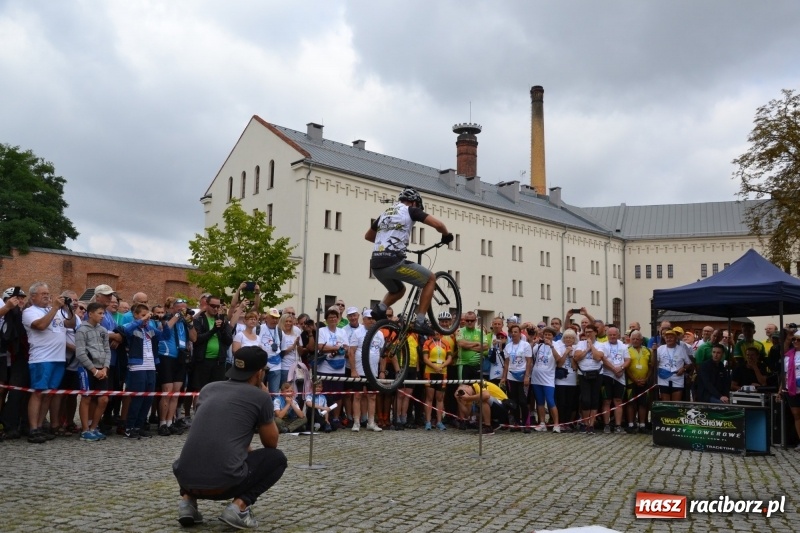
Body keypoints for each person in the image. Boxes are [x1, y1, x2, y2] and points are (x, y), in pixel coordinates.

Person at [172, 346, 287, 529]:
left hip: (186, 478)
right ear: (259, 373)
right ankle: (238, 508)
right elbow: (271, 443)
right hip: (223, 484)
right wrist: (266, 402)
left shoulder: (208, 389)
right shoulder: (260, 397)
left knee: (197, 452)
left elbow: (218, 432)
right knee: (277, 459)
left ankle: (187, 504)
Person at [365, 186, 453, 336]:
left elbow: (368, 236)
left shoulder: (385, 213)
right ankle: (420, 321)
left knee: (399, 290)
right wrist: (446, 235)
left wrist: (386, 241)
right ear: (413, 202)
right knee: (430, 279)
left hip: (376, 265)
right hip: (394, 263)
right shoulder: (410, 210)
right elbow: (439, 225)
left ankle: (380, 308)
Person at [22, 282, 76, 444]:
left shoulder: (56, 311)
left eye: (48, 293)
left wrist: (68, 309)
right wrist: (54, 308)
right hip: (42, 358)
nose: (47, 296)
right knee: (38, 392)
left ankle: (40, 426)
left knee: (49, 394)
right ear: (33, 297)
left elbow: (71, 325)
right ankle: (33, 428)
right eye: (42, 293)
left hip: (59, 358)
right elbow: (40, 325)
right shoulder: (30, 312)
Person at [122, 304, 177, 439]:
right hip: (137, 367)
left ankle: (139, 426)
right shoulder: (131, 326)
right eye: (142, 315)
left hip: (151, 366)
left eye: (147, 315)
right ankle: (129, 427)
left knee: (148, 398)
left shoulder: (149, 329)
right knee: (138, 398)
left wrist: (163, 321)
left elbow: (165, 336)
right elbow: (125, 331)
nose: (146, 318)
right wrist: (143, 319)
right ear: (135, 315)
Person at [74, 302, 112, 442]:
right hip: (87, 369)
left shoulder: (102, 330)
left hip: (102, 368)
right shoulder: (81, 329)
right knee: (87, 398)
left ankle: (93, 427)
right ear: (90, 314)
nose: (102, 316)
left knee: (103, 399)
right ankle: (85, 430)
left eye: (103, 314)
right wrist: (94, 370)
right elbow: (80, 353)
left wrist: (105, 368)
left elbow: (107, 350)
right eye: (100, 313)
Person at [530, 327, 564, 432]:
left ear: (553, 336)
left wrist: (551, 346)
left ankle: (556, 424)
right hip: (536, 377)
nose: (547, 337)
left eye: (549, 335)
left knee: (550, 401)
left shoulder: (556, 345)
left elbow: (558, 359)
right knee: (539, 402)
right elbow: (529, 353)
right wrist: (532, 343)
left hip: (548, 378)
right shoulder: (539, 346)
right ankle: (542, 423)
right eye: (545, 334)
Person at [499, 324, 532, 432]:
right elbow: (506, 364)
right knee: (514, 401)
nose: (513, 334)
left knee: (523, 401)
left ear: (520, 333)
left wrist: (527, 376)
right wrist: (504, 377)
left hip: (522, 376)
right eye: (512, 332)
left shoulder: (525, 345)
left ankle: (526, 424)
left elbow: (528, 362)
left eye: (516, 332)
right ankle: (517, 423)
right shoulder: (508, 346)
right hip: (511, 376)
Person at [574, 325, 604, 433]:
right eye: (586, 332)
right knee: (586, 400)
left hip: (597, 373)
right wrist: (587, 348)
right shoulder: (580, 344)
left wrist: (591, 346)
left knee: (594, 399)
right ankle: (585, 423)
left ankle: (592, 424)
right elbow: (577, 357)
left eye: (590, 332)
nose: (588, 334)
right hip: (583, 374)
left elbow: (597, 357)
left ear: (595, 332)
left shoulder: (601, 344)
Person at [599, 327, 630, 434]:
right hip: (607, 376)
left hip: (620, 377)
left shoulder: (623, 345)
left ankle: (618, 425)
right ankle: (606, 425)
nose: (612, 336)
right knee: (606, 401)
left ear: (618, 335)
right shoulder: (603, 346)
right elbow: (603, 359)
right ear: (607, 335)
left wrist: (621, 368)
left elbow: (627, 360)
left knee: (618, 401)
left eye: (614, 335)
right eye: (610, 335)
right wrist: (613, 369)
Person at [422, 326, 452, 431]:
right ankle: (428, 421)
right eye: (434, 331)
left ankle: (439, 422)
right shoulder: (427, 343)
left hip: (442, 372)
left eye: (438, 331)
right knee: (429, 398)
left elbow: (449, 358)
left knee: (440, 398)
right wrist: (435, 367)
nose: (436, 333)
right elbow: (425, 359)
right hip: (430, 371)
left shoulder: (446, 343)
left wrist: (442, 366)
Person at [624, 331, 652, 434]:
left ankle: (642, 425)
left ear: (641, 340)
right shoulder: (626, 350)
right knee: (631, 403)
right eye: (633, 339)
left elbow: (651, 366)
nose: (635, 341)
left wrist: (646, 378)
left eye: (637, 339)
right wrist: (635, 380)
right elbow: (626, 368)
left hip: (644, 381)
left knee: (643, 404)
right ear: (630, 339)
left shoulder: (647, 350)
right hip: (631, 381)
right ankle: (631, 424)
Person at [656, 329, 693, 402]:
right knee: (666, 403)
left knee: (676, 403)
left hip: (677, 378)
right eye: (667, 337)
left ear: (676, 339)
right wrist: (654, 351)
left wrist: (684, 369)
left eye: (671, 337)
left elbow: (689, 363)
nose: (669, 339)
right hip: (663, 378)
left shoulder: (681, 349)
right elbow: (654, 363)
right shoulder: (660, 348)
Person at [780, 332, 800, 450]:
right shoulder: (788, 355)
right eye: (794, 340)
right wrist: (780, 389)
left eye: (798, 340)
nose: (795, 342)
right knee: (796, 415)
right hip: (792, 388)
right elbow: (785, 374)